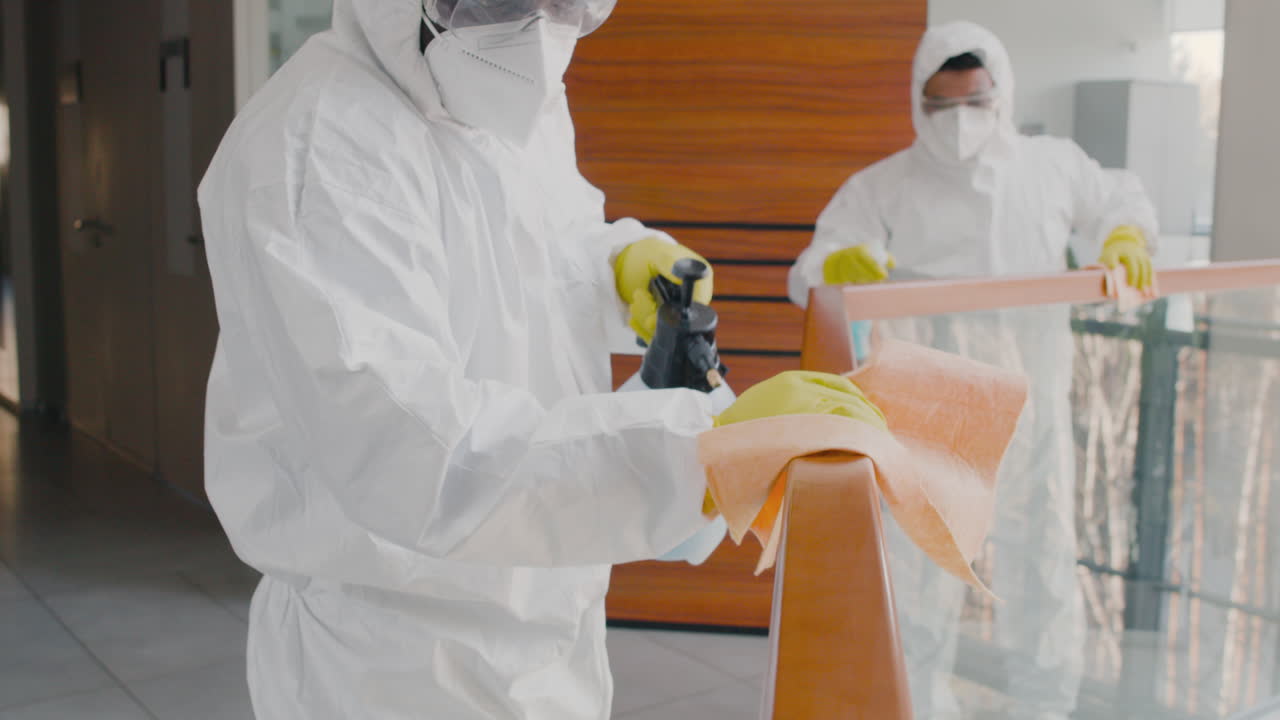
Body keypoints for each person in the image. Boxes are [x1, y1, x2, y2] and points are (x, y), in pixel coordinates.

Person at [197, 1, 885, 718]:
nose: (536, 25)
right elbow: (417, 455)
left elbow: (527, 245)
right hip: (391, 658)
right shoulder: (317, 149)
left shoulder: (505, 95)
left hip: (548, 609)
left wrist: (617, 261)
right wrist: (701, 453)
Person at [787, 20, 1158, 720]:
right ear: (917, 102)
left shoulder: (1051, 166)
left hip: (1033, 406)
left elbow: (1121, 197)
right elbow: (812, 265)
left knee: (1042, 562)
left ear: (1003, 95)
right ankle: (917, 706)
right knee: (923, 570)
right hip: (928, 411)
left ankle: (1045, 709)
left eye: (976, 102)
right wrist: (834, 270)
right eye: (942, 105)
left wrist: (1125, 234)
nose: (960, 122)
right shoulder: (884, 186)